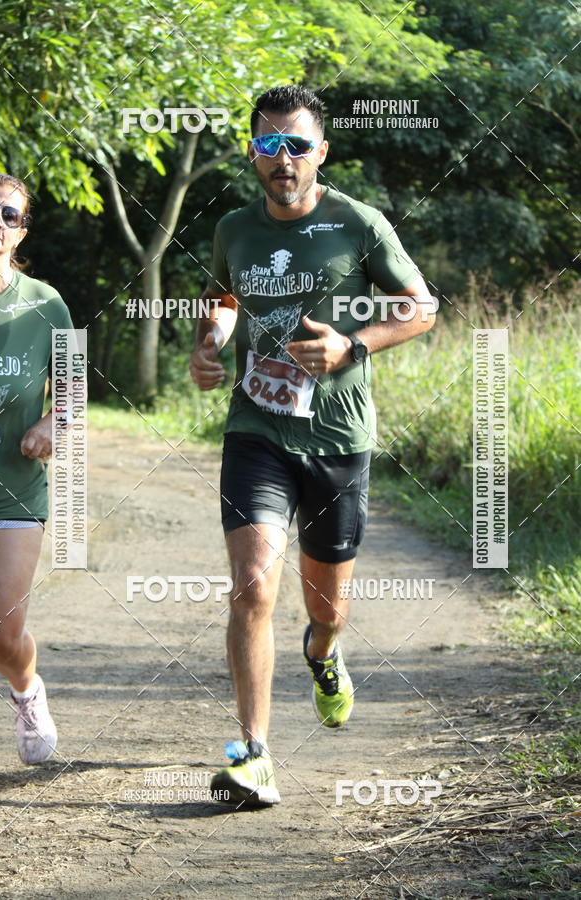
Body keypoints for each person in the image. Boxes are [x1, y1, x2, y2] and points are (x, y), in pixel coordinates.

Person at [189, 85, 435, 807]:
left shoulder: (358, 223)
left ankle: (322, 655)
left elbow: (422, 307)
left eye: (297, 144)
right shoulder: (234, 227)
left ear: (321, 152)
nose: (283, 158)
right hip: (255, 431)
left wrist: (354, 344)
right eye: (269, 144)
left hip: (336, 437)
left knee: (326, 611)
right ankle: (252, 754)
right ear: (252, 153)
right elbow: (223, 299)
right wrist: (209, 344)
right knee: (253, 586)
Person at [0, 173, 74, 774]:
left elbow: (74, 388)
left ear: (21, 233)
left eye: (9, 215)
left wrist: (51, 422)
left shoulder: (44, 302)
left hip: (12, 485)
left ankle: (26, 689)